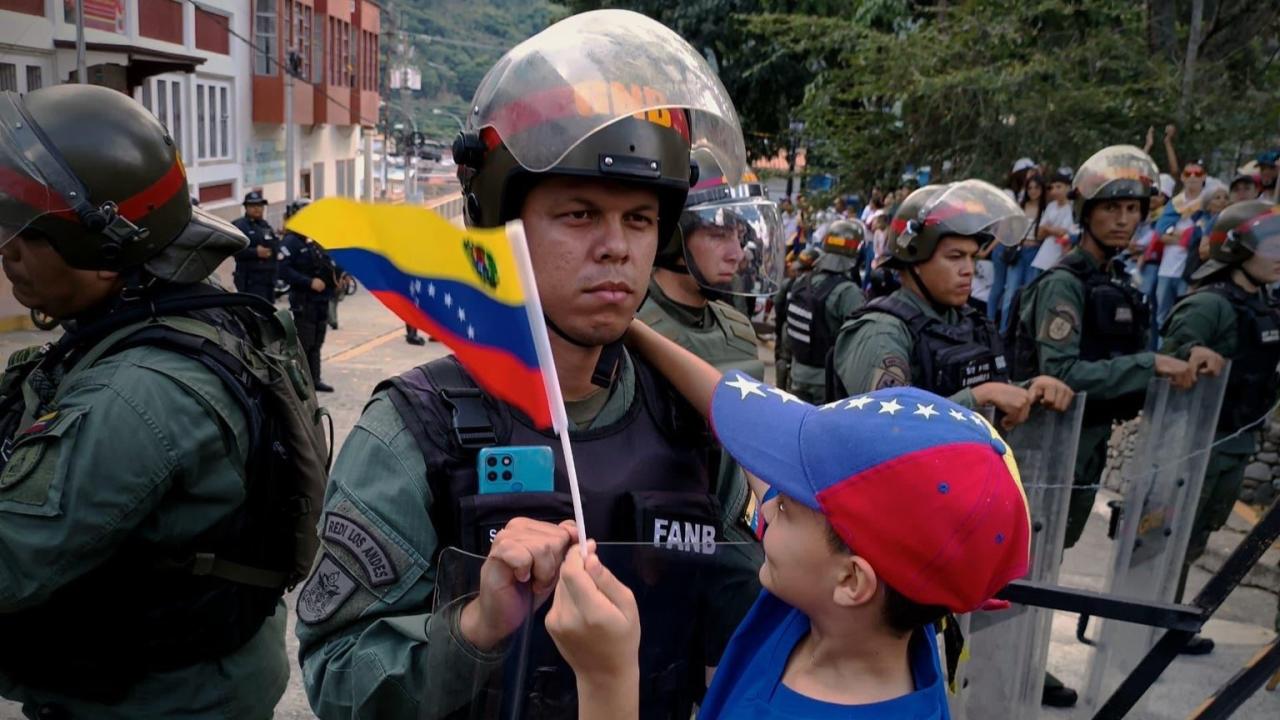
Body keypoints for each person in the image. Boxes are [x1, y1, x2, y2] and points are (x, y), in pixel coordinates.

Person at [294, 11, 764, 719]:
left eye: (639, 220)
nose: (616, 248)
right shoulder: (413, 435)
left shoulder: (692, 421)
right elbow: (337, 677)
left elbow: (748, 629)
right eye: (579, 214)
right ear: (506, 227)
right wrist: (477, 628)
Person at [0, 84, 327, 718]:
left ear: (103, 251)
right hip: (199, 671)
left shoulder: (134, 394)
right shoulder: (183, 314)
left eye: (25, 232)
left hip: (154, 698)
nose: (8, 250)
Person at [544, 364, 1032, 720]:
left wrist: (606, 679)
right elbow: (737, 411)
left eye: (789, 505)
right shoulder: (877, 610)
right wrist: (635, 328)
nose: (766, 506)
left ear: (851, 578)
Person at [1008, 145, 1208, 555]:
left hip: (1090, 439)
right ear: (1086, 212)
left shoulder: (1116, 280)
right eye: (1112, 208)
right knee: (1024, 562)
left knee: (1053, 552)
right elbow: (1060, 375)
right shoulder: (1064, 284)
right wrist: (1151, 365)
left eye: (1133, 209)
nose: (1123, 220)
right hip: (1049, 443)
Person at [829, 181, 1073, 428]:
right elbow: (888, 427)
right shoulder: (881, 333)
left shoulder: (969, 322)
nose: (968, 270)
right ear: (915, 261)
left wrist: (1030, 391)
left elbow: (986, 392)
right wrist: (978, 398)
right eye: (955, 257)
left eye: (972, 257)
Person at [1161, 200, 1277, 653]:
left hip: (1235, 440)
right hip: (1196, 448)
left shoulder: (1262, 304)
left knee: (1197, 537)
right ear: (1236, 248)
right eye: (1271, 244)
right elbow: (1172, 366)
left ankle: (1168, 620)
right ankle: (1149, 620)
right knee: (1169, 538)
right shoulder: (1209, 304)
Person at [638, 146, 778, 382]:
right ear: (673, 238)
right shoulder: (631, 332)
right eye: (719, 235)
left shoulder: (739, 330)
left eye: (739, 236)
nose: (737, 254)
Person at [783, 219, 867, 403]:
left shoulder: (801, 283)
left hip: (797, 375)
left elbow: (786, 331)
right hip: (827, 384)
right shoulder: (848, 292)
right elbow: (860, 343)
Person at [279, 198, 345, 392]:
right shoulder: (291, 241)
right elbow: (282, 270)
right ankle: (300, 382)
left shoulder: (315, 242)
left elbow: (329, 265)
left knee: (317, 342)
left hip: (321, 301)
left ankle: (314, 379)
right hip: (304, 300)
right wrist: (308, 282)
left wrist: (341, 277)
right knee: (304, 343)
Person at [232, 190, 280, 302]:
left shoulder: (265, 225)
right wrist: (254, 252)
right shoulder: (240, 225)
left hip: (268, 280)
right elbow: (233, 250)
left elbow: (273, 245)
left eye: (259, 205)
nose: (257, 208)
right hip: (251, 281)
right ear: (246, 207)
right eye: (253, 205)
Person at [1030, 171, 1075, 276]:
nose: (1054, 191)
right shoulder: (1051, 206)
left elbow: (1063, 232)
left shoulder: (1071, 208)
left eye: (1058, 187)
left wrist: (1047, 228)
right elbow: (1039, 233)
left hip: (1060, 258)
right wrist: (1052, 230)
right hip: (1043, 257)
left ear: (1068, 187)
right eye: (1052, 188)